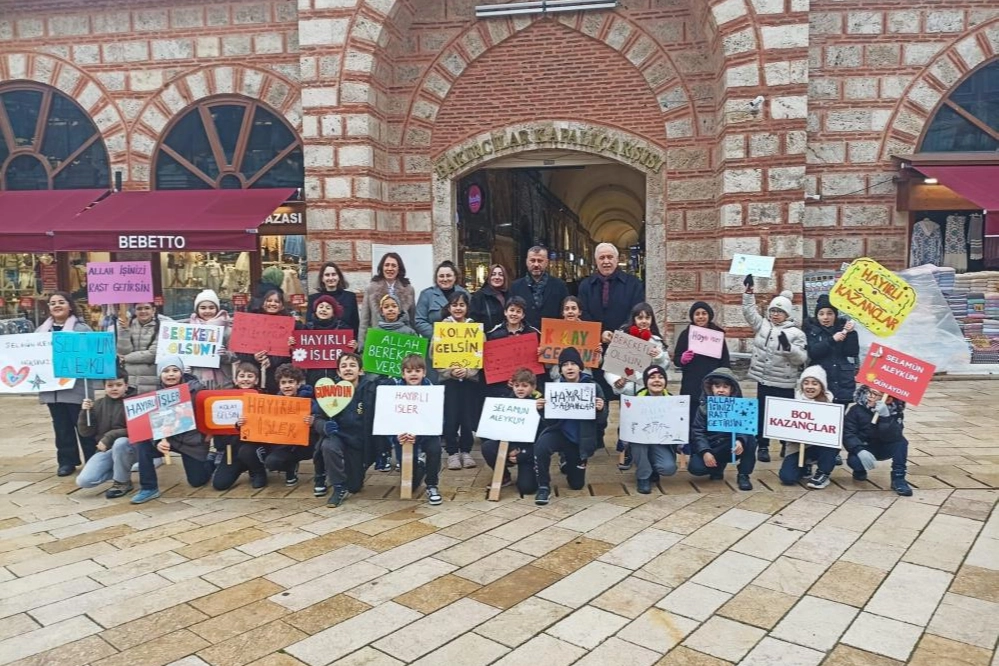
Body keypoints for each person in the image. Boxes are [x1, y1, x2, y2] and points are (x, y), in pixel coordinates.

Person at [131, 355, 211, 504]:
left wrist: (208, 435)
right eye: (166, 371)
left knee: (197, 481)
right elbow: (148, 425)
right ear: (160, 375)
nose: (171, 374)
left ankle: (210, 461)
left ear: (182, 372)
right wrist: (157, 442)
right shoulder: (154, 394)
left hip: (192, 442)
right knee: (143, 444)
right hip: (168, 440)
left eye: (175, 370)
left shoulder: (197, 390)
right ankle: (148, 488)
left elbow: (209, 411)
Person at [533, 347, 607, 505]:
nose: (569, 368)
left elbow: (602, 421)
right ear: (560, 370)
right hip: (559, 432)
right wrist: (542, 410)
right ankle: (543, 486)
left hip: (580, 438)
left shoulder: (593, 387)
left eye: (573, 364)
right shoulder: (554, 388)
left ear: (580, 367)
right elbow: (550, 422)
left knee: (576, 485)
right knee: (541, 446)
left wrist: (601, 409)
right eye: (565, 365)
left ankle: (568, 461)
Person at [743, 284, 807, 462]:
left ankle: (786, 444)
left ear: (787, 314)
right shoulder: (763, 325)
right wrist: (748, 294)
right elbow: (749, 312)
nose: (775, 314)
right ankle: (763, 446)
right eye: (773, 310)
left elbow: (801, 358)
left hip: (784, 383)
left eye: (780, 311)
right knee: (762, 414)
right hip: (764, 380)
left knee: (783, 416)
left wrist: (789, 348)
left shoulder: (796, 333)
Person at [37, 291, 97, 476]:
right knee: (61, 427)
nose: (57, 305)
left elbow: (92, 354)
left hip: (77, 387)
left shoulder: (82, 329)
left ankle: (93, 461)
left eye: (61, 302)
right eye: (52, 303)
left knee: (83, 425)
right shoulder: (40, 332)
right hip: (52, 389)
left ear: (70, 306)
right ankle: (66, 461)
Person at [605, 302, 670, 470]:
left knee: (647, 422)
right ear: (633, 319)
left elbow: (664, 368)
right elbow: (609, 365)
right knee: (627, 422)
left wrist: (659, 356)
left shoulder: (656, 341)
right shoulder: (622, 338)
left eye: (647, 317)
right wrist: (616, 381)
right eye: (640, 317)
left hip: (648, 392)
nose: (644, 321)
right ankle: (626, 452)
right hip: (628, 391)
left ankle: (648, 452)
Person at [314, 353, 375, 507]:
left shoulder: (370, 389)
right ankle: (338, 486)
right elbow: (317, 417)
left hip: (358, 441)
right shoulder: (330, 391)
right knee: (328, 446)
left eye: (352, 365)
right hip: (337, 436)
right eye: (344, 366)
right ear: (338, 372)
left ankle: (352, 473)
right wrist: (324, 426)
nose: (348, 369)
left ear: (361, 370)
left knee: (354, 487)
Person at [74, 365, 138, 498]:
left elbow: (137, 428)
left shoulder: (135, 402)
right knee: (84, 481)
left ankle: (122, 482)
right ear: (104, 387)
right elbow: (86, 432)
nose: (114, 388)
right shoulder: (98, 404)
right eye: (110, 385)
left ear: (126, 386)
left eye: (119, 385)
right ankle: (121, 471)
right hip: (106, 450)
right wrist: (85, 413)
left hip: (132, 448)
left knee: (121, 443)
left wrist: (109, 436)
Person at [689, 368, 757, 491]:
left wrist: (740, 440)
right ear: (711, 388)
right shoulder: (703, 408)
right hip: (712, 446)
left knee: (750, 439)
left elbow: (745, 427)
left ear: (732, 389)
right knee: (696, 468)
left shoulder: (740, 407)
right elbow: (698, 431)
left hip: (731, 446)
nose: (721, 390)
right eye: (717, 386)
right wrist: (705, 451)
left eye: (725, 387)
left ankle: (744, 475)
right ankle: (717, 467)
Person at [616, 365, 679, 494]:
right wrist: (624, 440)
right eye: (652, 377)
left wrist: (681, 441)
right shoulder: (635, 400)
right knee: (638, 443)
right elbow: (625, 424)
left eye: (661, 377)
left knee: (668, 468)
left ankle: (653, 469)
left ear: (665, 382)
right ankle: (643, 476)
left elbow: (679, 425)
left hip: (661, 442)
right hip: (640, 443)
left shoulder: (674, 401)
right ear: (646, 382)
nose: (657, 380)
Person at [480, 367, 543, 496]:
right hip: (510, 446)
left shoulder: (539, 405)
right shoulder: (506, 403)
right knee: (488, 447)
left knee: (527, 488)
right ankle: (504, 475)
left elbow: (541, 439)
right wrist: (510, 450)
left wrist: (523, 454)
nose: (520, 389)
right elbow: (498, 430)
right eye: (516, 385)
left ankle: (537, 473)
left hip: (528, 450)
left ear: (533, 387)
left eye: (524, 385)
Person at [436, 291, 482, 470]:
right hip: (449, 382)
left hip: (469, 382)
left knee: (467, 417)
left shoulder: (474, 328)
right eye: (454, 305)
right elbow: (435, 354)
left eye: (462, 305)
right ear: (449, 308)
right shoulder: (442, 328)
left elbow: (480, 354)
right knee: (450, 417)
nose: (458, 308)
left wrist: (469, 372)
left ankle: (466, 450)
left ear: (467, 308)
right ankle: (452, 452)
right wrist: (450, 372)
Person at [390, 354, 443, 505]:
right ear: (403, 374)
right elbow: (387, 419)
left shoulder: (432, 392)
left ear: (424, 373)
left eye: (417, 370)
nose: (413, 374)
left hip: (427, 435)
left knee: (435, 449)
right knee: (411, 484)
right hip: (403, 437)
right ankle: (419, 464)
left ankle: (432, 485)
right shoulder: (393, 393)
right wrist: (396, 436)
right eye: (409, 371)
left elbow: (438, 419)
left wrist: (419, 434)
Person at [778, 365, 839, 490]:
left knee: (832, 443)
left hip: (821, 446)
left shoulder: (830, 405)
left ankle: (823, 472)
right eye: (806, 383)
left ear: (821, 386)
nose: (810, 387)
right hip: (797, 447)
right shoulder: (792, 403)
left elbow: (835, 432)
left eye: (814, 383)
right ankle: (805, 466)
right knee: (787, 477)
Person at [843, 385, 913, 496]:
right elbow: (848, 433)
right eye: (869, 392)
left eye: (875, 394)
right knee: (854, 461)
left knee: (901, 443)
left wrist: (886, 417)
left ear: (888, 399)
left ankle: (898, 478)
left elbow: (895, 436)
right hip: (865, 447)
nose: (869, 396)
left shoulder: (895, 411)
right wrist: (858, 450)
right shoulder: (856, 410)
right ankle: (859, 470)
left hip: (884, 446)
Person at [257, 363, 315, 486]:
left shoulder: (309, 401)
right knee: (271, 462)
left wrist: (313, 421)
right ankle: (290, 467)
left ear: (298, 384)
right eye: (283, 383)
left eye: (291, 382)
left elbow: (319, 419)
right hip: (284, 446)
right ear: (279, 385)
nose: (287, 386)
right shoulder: (274, 403)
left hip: (305, 445)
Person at [673, 301, 731, 424]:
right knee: (691, 417)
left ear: (709, 316)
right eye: (697, 314)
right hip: (691, 383)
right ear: (692, 317)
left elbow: (725, 361)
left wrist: (723, 380)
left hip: (713, 382)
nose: (700, 317)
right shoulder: (685, 334)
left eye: (704, 313)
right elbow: (676, 359)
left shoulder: (717, 335)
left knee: (711, 417)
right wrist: (682, 359)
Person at [211, 362, 264, 491]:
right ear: (235, 379)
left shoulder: (263, 396)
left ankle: (257, 471)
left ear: (256, 380)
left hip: (253, 446)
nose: (245, 379)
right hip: (232, 448)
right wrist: (236, 426)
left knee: (247, 451)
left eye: (250, 376)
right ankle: (240, 465)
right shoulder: (227, 399)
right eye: (242, 376)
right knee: (220, 484)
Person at [578, 242, 645, 335]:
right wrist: (600, 333)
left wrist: (619, 334)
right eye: (602, 258)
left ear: (617, 260)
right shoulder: (585, 285)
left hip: (625, 338)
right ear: (596, 261)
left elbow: (636, 312)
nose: (606, 261)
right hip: (594, 339)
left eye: (610, 257)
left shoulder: (633, 284)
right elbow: (583, 312)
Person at [805, 294, 859, 405]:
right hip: (820, 382)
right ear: (817, 316)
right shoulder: (811, 330)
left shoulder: (843, 330)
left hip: (842, 383)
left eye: (830, 313)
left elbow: (852, 352)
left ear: (835, 315)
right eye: (821, 314)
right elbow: (813, 352)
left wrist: (851, 333)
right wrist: (832, 340)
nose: (825, 317)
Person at [241, 286, 295, 394]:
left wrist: (292, 346)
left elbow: (296, 354)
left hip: (279, 375)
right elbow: (240, 349)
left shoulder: (291, 324)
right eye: (269, 300)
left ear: (282, 305)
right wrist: (254, 357)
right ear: (263, 303)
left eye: (276, 301)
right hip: (255, 375)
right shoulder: (251, 321)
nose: (272, 304)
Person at [360, 252, 416, 349]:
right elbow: (364, 321)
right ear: (382, 268)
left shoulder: (408, 289)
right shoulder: (371, 289)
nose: (390, 268)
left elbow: (412, 319)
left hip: (402, 342)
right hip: (378, 341)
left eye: (393, 266)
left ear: (399, 268)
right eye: (387, 265)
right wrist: (362, 346)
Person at [299, 294, 356, 388]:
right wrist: (293, 345)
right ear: (316, 310)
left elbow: (350, 355)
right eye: (321, 307)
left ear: (333, 312)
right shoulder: (307, 329)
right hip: (313, 376)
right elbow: (299, 354)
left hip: (337, 377)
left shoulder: (343, 328)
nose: (323, 310)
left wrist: (353, 347)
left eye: (328, 308)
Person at [508, 246, 569, 331]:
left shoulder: (560, 286)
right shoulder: (515, 286)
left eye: (540, 261)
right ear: (526, 262)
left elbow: (565, 312)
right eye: (532, 260)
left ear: (546, 262)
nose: (536, 264)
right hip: (524, 335)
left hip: (553, 334)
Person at [187, 289, 236, 390]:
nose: (207, 311)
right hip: (198, 380)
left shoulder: (227, 330)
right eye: (203, 308)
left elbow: (235, 355)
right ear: (197, 309)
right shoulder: (189, 329)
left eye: (211, 307)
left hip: (223, 381)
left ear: (217, 309)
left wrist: (225, 355)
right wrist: (184, 365)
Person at [117, 302, 169, 395]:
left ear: (153, 310)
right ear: (134, 311)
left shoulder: (163, 326)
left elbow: (154, 354)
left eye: (147, 308)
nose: (143, 311)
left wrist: (126, 358)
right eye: (139, 308)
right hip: (130, 381)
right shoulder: (128, 324)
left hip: (152, 381)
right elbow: (123, 351)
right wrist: (124, 330)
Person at [546, 296, 601, 382]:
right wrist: (543, 352)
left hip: (584, 377)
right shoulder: (553, 331)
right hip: (559, 377)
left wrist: (598, 353)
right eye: (567, 309)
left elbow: (598, 362)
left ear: (579, 312)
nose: (570, 311)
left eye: (574, 308)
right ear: (563, 312)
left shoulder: (590, 331)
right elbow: (547, 364)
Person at [415, 261, 470, 338]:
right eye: (441, 276)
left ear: (455, 277)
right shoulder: (427, 294)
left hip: (461, 340)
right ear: (436, 278)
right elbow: (419, 321)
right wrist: (438, 334)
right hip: (435, 341)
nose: (445, 279)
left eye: (448, 276)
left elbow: (471, 316)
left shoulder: (464, 293)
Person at [308, 261, 360, 336]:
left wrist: (355, 340)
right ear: (322, 278)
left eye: (334, 274)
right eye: (327, 275)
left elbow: (355, 324)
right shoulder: (313, 299)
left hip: (344, 340)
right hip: (319, 340)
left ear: (339, 277)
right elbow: (308, 325)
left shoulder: (350, 297)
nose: (331, 278)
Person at [470, 264, 509, 333]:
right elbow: (474, 321)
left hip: (508, 337)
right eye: (493, 274)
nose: (497, 277)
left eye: (501, 275)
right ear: (489, 277)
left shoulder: (509, 294)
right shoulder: (478, 296)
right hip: (487, 337)